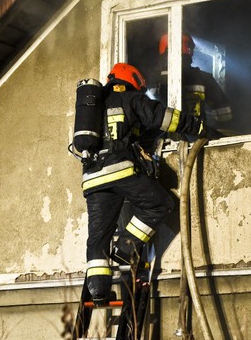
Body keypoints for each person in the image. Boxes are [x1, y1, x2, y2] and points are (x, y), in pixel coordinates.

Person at [81, 63, 211, 305]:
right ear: (132, 80)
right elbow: (165, 118)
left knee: (98, 238)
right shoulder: (130, 99)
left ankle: (98, 291)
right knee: (160, 204)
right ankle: (125, 248)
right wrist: (198, 126)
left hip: (92, 180)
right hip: (119, 171)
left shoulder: (92, 109)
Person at [157, 33, 233, 130]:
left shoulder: (151, 80)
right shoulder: (203, 78)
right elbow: (223, 113)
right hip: (195, 137)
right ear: (188, 49)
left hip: (157, 142)